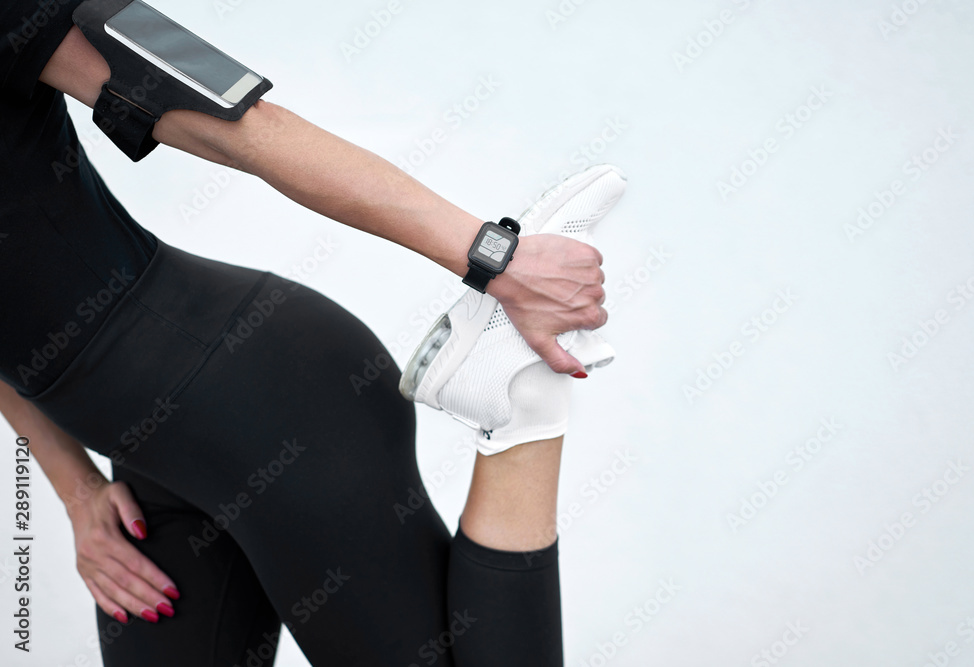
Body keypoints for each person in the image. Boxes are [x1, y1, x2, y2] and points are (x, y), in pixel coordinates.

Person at [0, 2, 619, 665]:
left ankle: (519, 407)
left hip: (272, 400)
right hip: (157, 462)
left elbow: (249, 129)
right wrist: (77, 489)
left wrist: (489, 257)